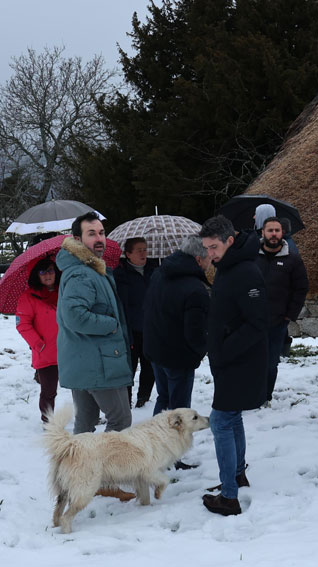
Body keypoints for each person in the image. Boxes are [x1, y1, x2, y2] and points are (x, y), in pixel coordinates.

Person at [198, 215, 268, 516]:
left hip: (240, 361)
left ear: (230, 240)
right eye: (206, 248)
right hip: (230, 360)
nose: (210, 254)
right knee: (231, 417)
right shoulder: (228, 268)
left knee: (221, 421)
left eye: (214, 247)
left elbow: (258, 323)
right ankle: (237, 474)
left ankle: (229, 496)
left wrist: (225, 350)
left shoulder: (247, 272)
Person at [55, 212, 133, 435]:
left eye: (101, 233)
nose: (99, 238)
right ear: (77, 240)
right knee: (120, 420)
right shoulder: (82, 274)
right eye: (92, 234)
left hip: (86, 361)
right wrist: (112, 324)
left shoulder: (89, 270)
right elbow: (75, 316)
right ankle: (109, 470)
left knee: (86, 422)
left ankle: (78, 469)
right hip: (98, 363)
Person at [143, 235, 211, 415]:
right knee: (179, 410)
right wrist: (200, 351)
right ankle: (172, 442)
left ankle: (156, 440)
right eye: (208, 257)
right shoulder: (195, 289)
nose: (210, 261)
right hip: (178, 357)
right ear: (198, 259)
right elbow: (195, 332)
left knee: (164, 398)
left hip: (156, 349)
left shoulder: (159, 273)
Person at [255, 216, 309, 405]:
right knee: (251, 361)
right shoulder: (252, 256)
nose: (274, 234)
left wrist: (290, 314)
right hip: (251, 320)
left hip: (277, 321)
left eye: (277, 230)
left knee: (270, 363)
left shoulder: (292, 259)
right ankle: (250, 394)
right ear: (262, 233)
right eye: (270, 230)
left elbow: (301, 288)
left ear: (282, 233)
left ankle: (265, 397)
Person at [15, 256, 60, 423]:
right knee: (49, 391)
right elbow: (23, 325)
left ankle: (86, 417)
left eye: (50, 270)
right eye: (43, 272)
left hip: (69, 348)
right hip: (46, 352)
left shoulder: (64, 291)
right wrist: (38, 345)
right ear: (36, 275)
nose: (48, 275)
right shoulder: (28, 297)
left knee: (80, 387)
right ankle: (48, 421)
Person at [113, 237, 157, 408]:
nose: (143, 253)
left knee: (150, 366)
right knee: (128, 368)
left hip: (150, 328)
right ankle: (126, 401)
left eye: (145, 249)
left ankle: (143, 398)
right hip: (129, 329)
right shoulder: (120, 274)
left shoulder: (155, 271)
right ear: (128, 254)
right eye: (139, 250)